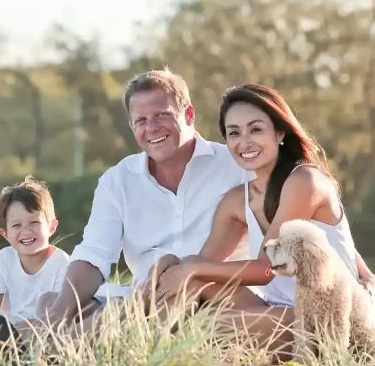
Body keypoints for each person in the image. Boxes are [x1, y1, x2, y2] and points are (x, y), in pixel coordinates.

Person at [153, 83, 375, 355]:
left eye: (256, 129)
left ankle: (162, 344)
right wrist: (179, 269)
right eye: (234, 133)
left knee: (203, 325)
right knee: (186, 282)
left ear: (280, 133)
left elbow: (266, 269)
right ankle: (144, 340)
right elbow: (206, 265)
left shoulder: (304, 181)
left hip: (321, 316)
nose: (245, 142)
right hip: (275, 307)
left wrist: (189, 269)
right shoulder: (237, 201)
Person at [32, 68, 260, 335]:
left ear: (189, 115)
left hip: (215, 296)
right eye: (141, 120)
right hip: (143, 299)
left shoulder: (237, 167)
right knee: (54, 302)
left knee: (88, 313)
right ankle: (55, 334)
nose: (152, 128)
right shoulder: (117, 181)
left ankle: (56, 341)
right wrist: (60, 311)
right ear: (132, 126)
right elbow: (94, 255)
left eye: (162, 115)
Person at [0, 176, 71, 326]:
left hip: (46, 332)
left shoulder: (60, 262)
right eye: (17, 225)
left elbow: (60, 318)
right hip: (13, 335)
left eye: (34, 222)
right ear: (5, 234)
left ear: (51, 227)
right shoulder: (5, 258)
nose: (26, 231)